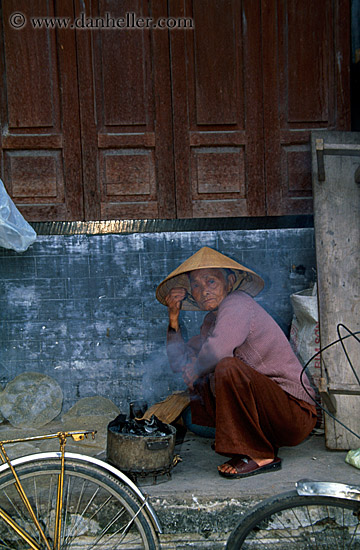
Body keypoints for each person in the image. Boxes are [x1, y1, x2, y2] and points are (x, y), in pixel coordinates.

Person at [156, 247, 317, 479]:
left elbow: (218, 351)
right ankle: (244, 440)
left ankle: (260, 453)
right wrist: (173, 316)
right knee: (194, 408)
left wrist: (196, 369)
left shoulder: (238, 302)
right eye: (197, 286)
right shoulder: (211, 321)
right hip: (268, 419)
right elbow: (178, 362)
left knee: (225, 367)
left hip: (294, 415)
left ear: (230, 282)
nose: (204, 291)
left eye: (211, 281)